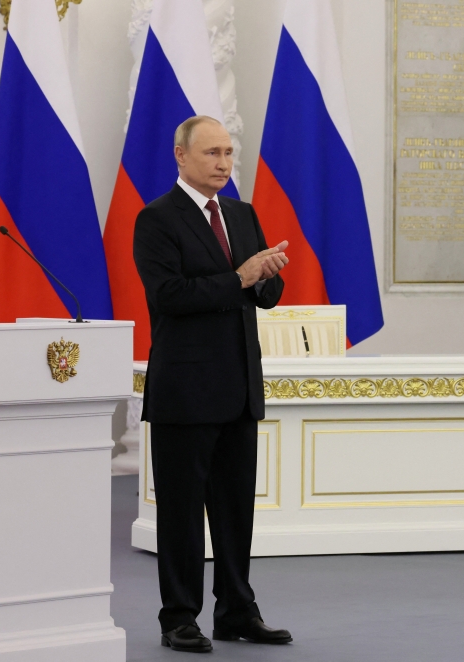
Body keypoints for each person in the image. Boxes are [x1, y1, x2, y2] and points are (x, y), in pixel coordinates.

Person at [133, 115, 292, 653]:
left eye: (228, 153)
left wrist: (268, 275)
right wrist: (241, 277)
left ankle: (237, 611)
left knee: (234, 510)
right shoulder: (156, 220)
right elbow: (171, 297)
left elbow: (262, 296)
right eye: (212, 154)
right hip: (185, 391)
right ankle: (179, 616)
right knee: (180, 513)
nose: (224, 163)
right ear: (181, 156)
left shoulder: (242, 215)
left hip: (239, 386)